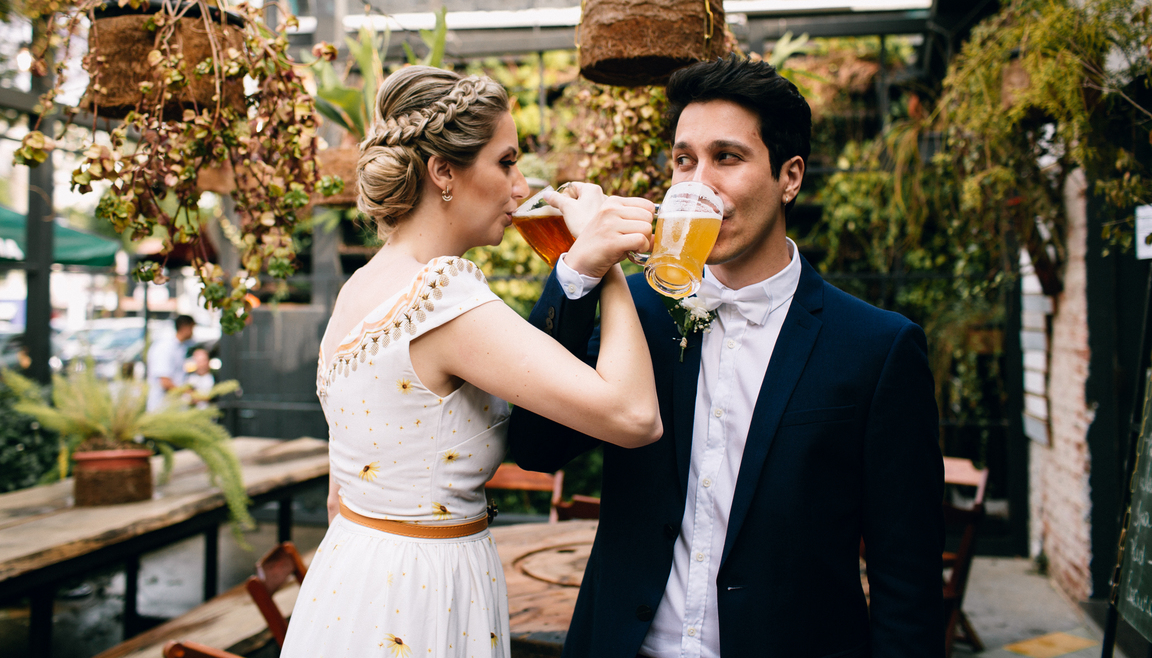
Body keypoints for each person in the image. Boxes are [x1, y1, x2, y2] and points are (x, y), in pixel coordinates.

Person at [508, 56, 946, 658]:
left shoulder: (877, 346)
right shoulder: (631, 310)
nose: (698, 184)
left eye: (728, 158)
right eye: (684, 160)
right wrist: (579, 272)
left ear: (789, 177)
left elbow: (908, 578)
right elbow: (535, 447)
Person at [279, 65, 661, 658]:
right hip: (423, 596)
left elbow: (340, 492)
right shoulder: (441, 295)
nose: (521, 182)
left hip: (350, 582)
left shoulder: (359, 288)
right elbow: (636, 417)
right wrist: (602, 259)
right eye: (506, 161)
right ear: (443, 172)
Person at [145, 314, 194, 411]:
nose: (193, 332)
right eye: (192, 328)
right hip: (161, 408)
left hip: (173, 408)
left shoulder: (180, 347)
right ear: (185, 327)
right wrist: (188, 393)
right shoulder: (165, 347)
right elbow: (165, 381)